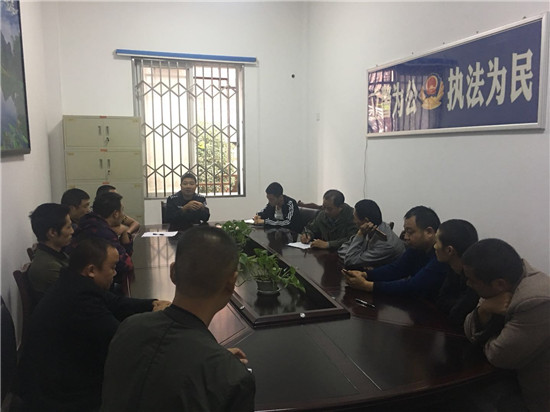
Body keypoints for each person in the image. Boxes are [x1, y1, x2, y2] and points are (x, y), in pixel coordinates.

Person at [101, 226, 255, 411]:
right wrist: (215, 362)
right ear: (232, 282)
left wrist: (213, 360)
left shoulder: (128, 328)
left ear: (173, 272)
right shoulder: (231, 377)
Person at [18, 238, 170, 412]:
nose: (115, 273)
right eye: (112, 267)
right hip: (57, 395)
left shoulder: (75, 282)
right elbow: (120, 338)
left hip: (60, 375)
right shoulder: (80, 300)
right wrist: (158, 320)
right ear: (91, 270)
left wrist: (152, 304)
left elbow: (116, 303)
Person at [463, 239, 550, 412]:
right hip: (512, 378)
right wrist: (484, 310)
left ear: (499, 284)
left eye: (472, 281)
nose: (468, 284)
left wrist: (481, 339)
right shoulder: (504, 278)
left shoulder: (536, 301)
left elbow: (499, 356)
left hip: (537, 398)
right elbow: (466, 327)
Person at [343, 206, 447, 302]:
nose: (405, 237)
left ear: (429, 232)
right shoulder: (417, 248)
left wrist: (367, 285)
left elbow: (413, 286)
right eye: (405, 231)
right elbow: (396, 269)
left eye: (410, 232)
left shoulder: (442, 255)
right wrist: (365, 275)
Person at [68, 192, 133, 284]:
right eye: (122, 210)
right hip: (91, 286)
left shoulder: (89, 221)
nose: (123, 215)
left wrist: (124, 233)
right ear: (115, 214)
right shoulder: (103, 232)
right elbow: (126, 264)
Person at [433, 219, 480, 329]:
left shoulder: (475, 278)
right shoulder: (453, 267)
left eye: (436, 242)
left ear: (449, 250)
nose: (434, 246)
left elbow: (457, 315)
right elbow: (440, 302)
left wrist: (453, 305)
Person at [338, 199, 405, 268]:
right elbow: (343, 248)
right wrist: (354, 256)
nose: (353, 221)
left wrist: (360, 234)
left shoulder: (385, 245)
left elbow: (350, 261)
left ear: (366, 221)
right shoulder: (372, 227)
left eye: (354, 218)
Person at [27, 203, 73, 302]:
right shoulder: (49, 267)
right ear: (52, 232)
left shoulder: (56, 254)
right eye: (68, 227)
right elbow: (76, 295)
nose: (72, 231)